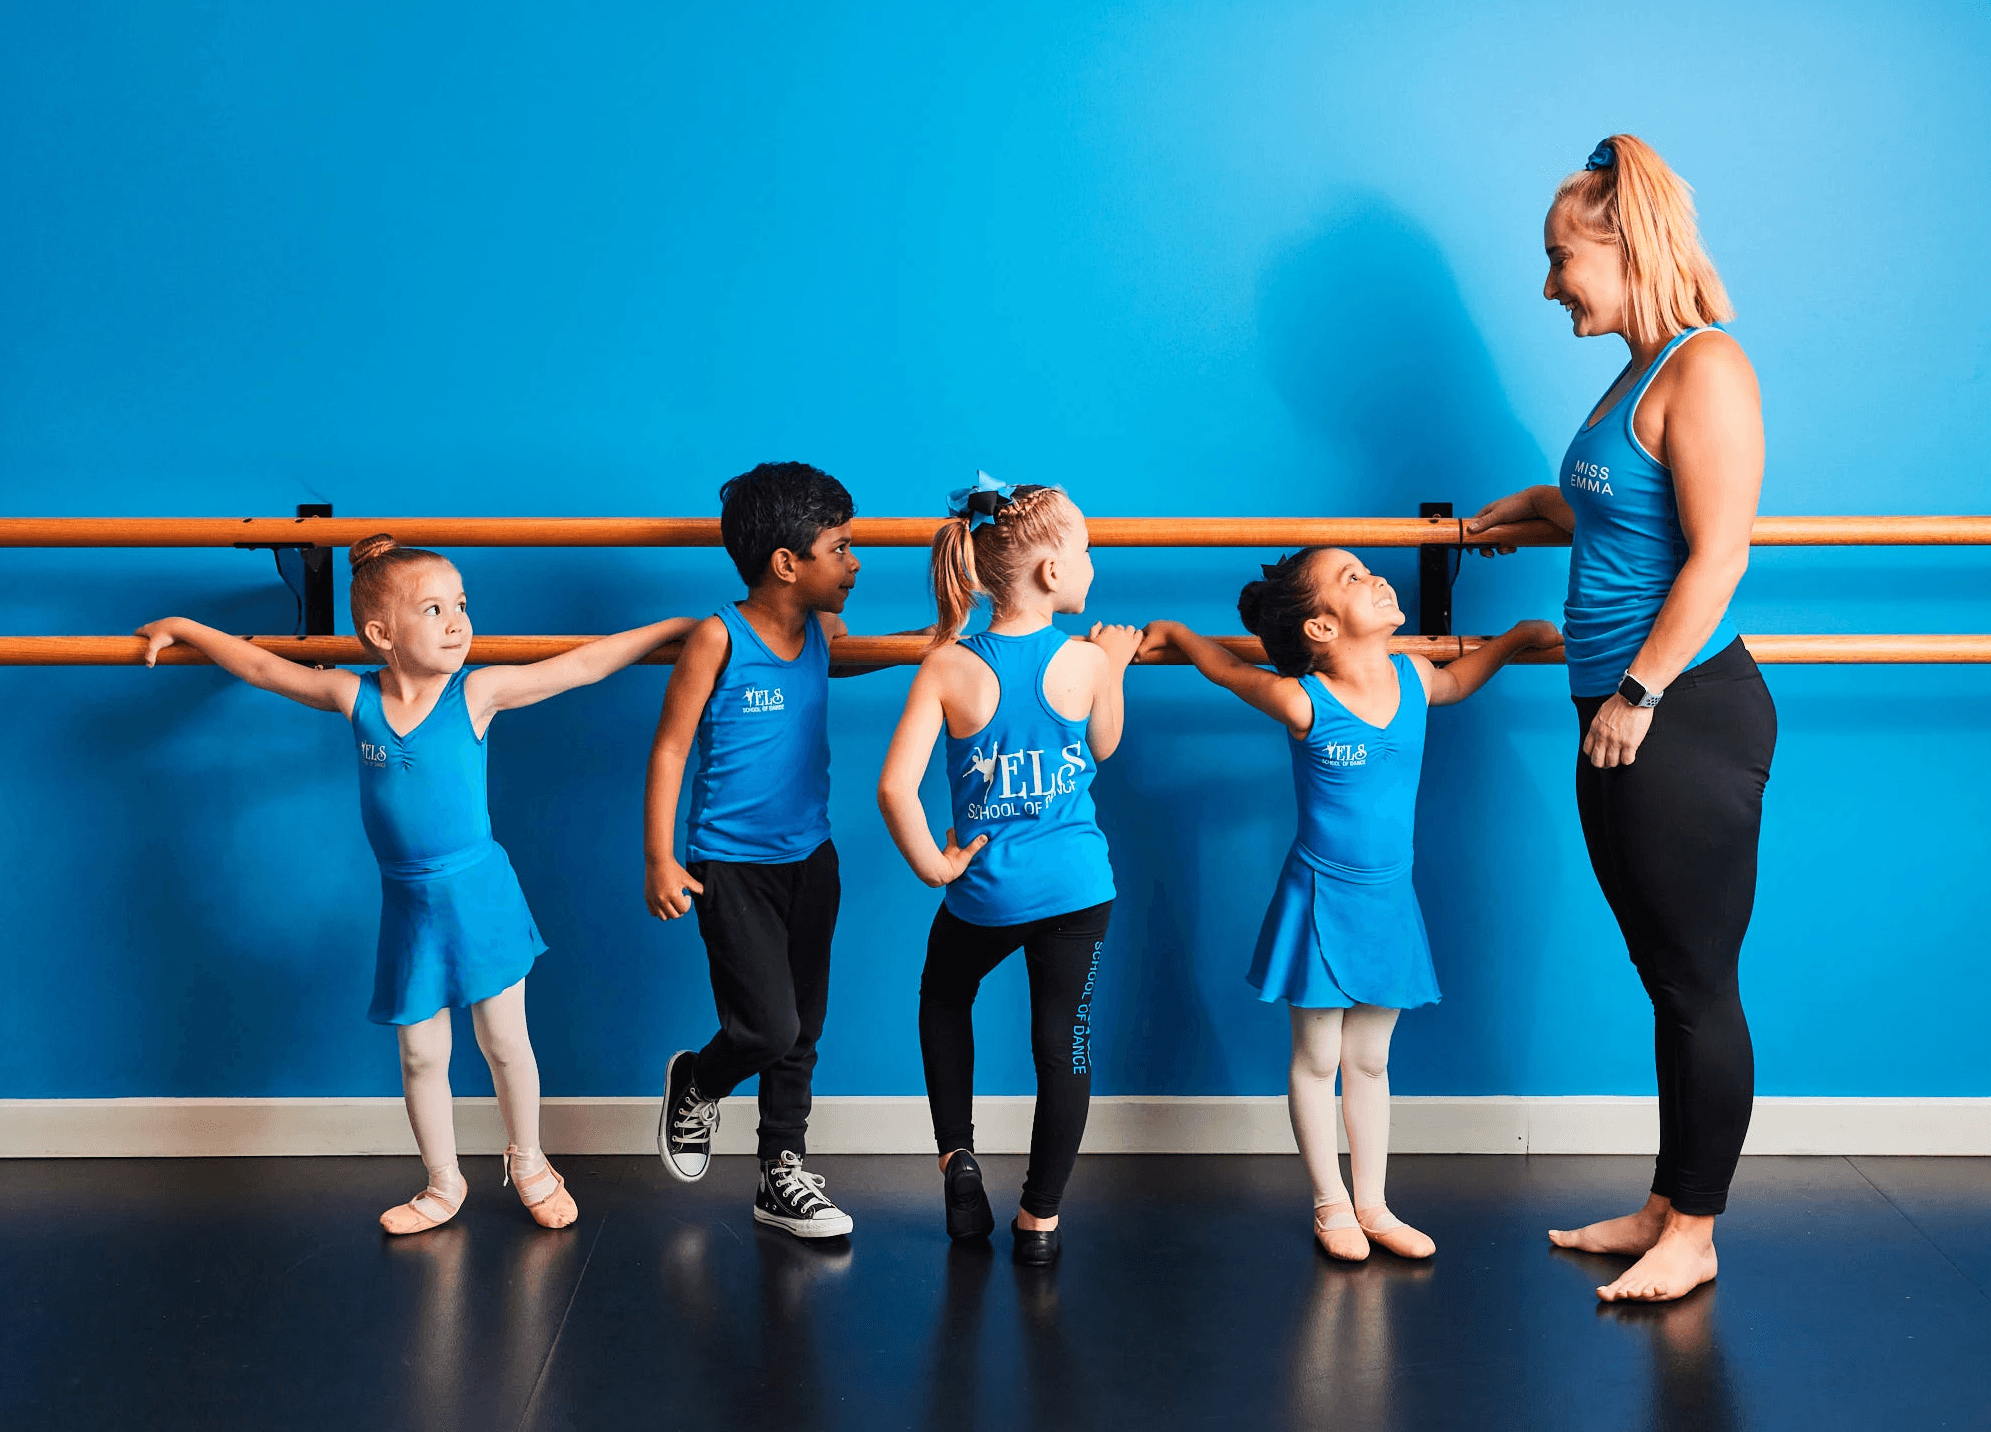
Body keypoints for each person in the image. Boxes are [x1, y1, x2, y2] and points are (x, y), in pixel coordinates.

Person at [137, 535, 693, 1234]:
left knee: (503, 1042)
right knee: (421, 1051)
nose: (458, 621)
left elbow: (580, 666)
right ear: (380, 634)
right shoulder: (352, 696)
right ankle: (442, 1182)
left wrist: (674, 628)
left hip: (479, 892)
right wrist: (185, 628)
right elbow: (260, 667)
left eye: (461, 604)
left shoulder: (478, 693)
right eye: (434, 610)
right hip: (409, 902)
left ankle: (530, 1163)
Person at [1467, 134, 1774, 1302]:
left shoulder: (1707, 369)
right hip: (1622, 705)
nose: (1548, 286)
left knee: (1697, 981)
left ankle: (1694, 1232)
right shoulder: (1635, 370)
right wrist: (1542, 507)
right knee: (1665, 976)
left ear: (1621, 244)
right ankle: (1662, 1201)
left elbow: (1714, 558)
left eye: (1559, 261)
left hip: (1681, 712)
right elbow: (1628, 507)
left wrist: (1638, 693)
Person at [1141, 552, 1556, 1261]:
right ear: (1323, 626)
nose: (1376, 578)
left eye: (1366, 570)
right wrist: (1179, 634)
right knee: (1317, 1056)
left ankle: (1373, 1203)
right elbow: (1229, 672)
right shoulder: (1303, 701)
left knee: (1369, 1060)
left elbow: (1460, 678)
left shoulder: (1414, 679)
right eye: (1354, 578)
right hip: (1319, 897)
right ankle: (1328, 1203)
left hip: (1389, 900)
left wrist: (1515, 638)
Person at [876, 473, 1141, 1266]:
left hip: (985, 890)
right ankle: (1040, 1221)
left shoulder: (947, 667)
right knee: (1064, 1043)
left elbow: (894, 787)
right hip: (1076, 890)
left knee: (943, 996)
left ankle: (956, 1155)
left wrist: (935, 864)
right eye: (1086, 551)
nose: (1093, 565)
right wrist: (1116, 666)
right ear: (1052, 573)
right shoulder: (1086, 661)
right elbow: (1102, 746)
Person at [644, 461, 874, 1240]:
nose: (855, 562)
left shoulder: (822, 631)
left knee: (801, 1031)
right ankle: (698, 1083)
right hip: (729, 868)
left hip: (812, 861)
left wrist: (941, 634)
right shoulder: (717, 637)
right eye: (840, 548)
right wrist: (659, 857)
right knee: (765, 1027)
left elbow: (861, 654)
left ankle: (782, 1171)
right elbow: (672, 749)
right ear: (787, 564)